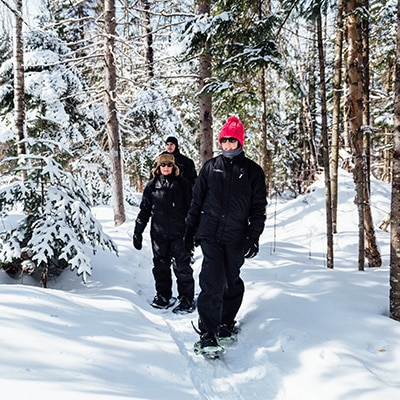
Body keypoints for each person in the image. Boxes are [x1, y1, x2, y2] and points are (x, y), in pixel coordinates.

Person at [184, 116, 267, 351]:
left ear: (239, 142)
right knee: (211, 280)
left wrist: (253, 236)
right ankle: (207, 332)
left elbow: (258, 208)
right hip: (209, 233)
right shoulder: (211, 167)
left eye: (232, 140)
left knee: (231, 280)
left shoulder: (252, 171)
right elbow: (197, 200)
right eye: (224, 141)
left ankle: (226, 322)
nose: (228, 145)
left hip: (236, 236)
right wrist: (190, 228)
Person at [133, 153, 195, 314]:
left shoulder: (183, 184)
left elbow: (191, 209)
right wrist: (137, 232)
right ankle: (163, 296)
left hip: (180, 233)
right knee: (161, 267)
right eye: (163, 165)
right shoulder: (152, 185)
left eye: (168, 165)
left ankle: (186, 298)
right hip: (159, 234)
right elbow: (144, 210)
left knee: (182, 267)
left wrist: (193, 232)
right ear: (158, 167)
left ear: (173, 167)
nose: (166, 167)